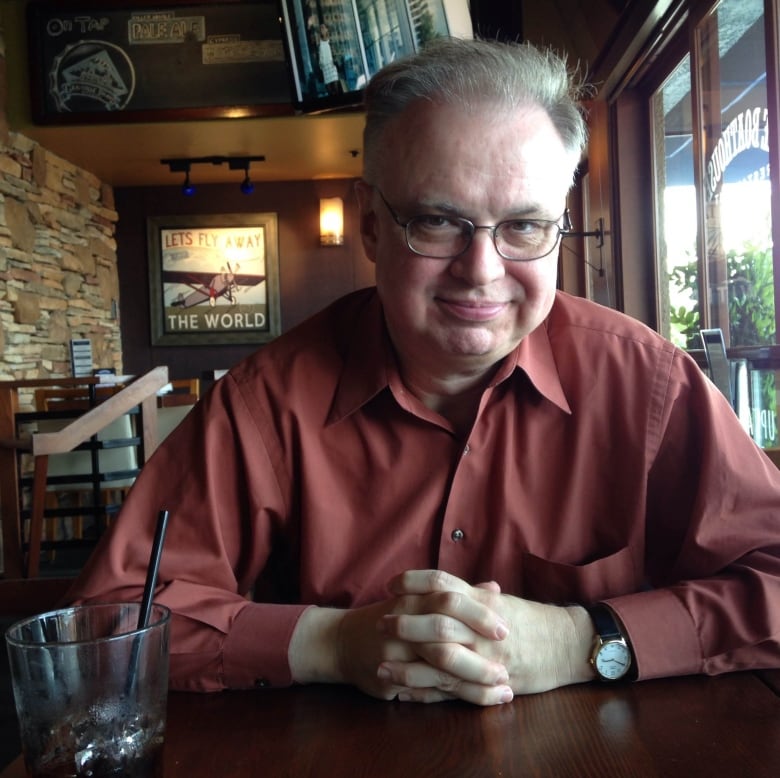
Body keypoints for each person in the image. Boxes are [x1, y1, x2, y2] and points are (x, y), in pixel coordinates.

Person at [68, 37, 780, 706]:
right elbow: (108, 625)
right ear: (371, 226)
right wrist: (333, 642)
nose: (482, 271)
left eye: (524, 226)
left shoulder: (646, 382)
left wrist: (580, 641)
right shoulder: (267, 401)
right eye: (438, 221)